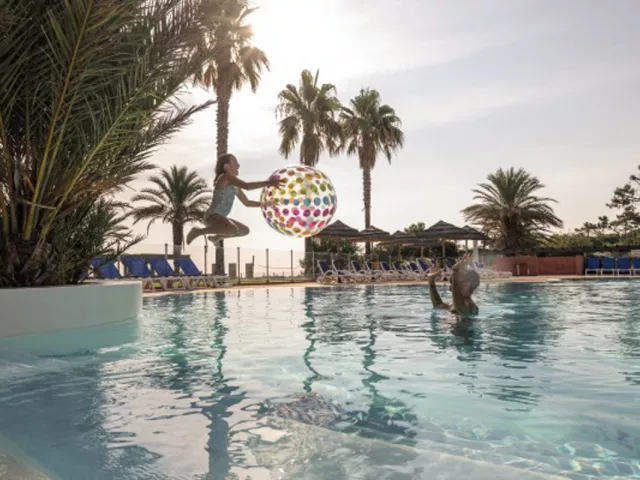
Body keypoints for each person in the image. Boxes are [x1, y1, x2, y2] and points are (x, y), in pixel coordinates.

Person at [186, 153, 283, 246]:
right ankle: (198, 231)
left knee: (244, 231)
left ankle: (217, 238)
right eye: (235, 162)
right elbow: (247, 186)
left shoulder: (235, 187)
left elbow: (247, 202)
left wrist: (265, 204)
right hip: (212, 216)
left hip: (221, 218)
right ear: (227, 167)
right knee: (233, 229)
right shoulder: (225, 177)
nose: (238, 165)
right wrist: (269, 182)